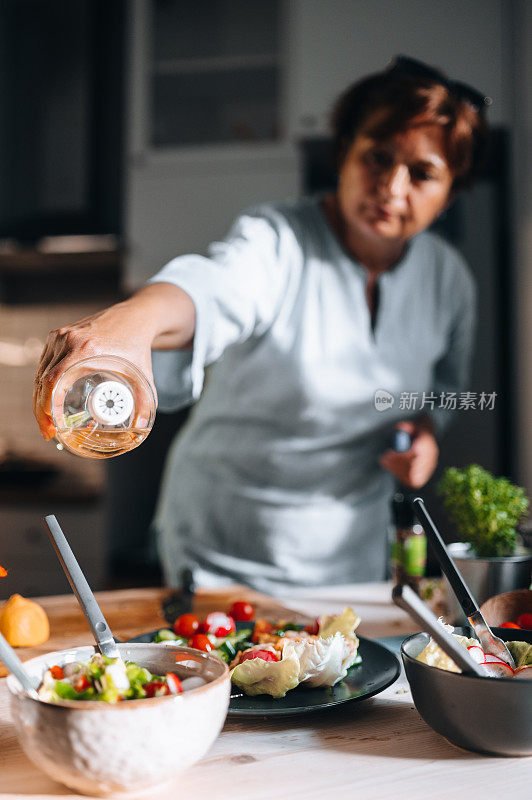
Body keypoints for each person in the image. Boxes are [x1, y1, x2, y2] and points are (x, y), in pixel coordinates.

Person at [34, 56, 490, 593]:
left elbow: (447, 390)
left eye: (422, 174)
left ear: (451, 194)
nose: (391, 187)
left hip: (350, 557)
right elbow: (211, 288)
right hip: (222, 549)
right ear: (344, 152)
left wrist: (428, 432)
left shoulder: (449, 279)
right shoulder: (277, 241)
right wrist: (134, 321)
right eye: (378, 157)